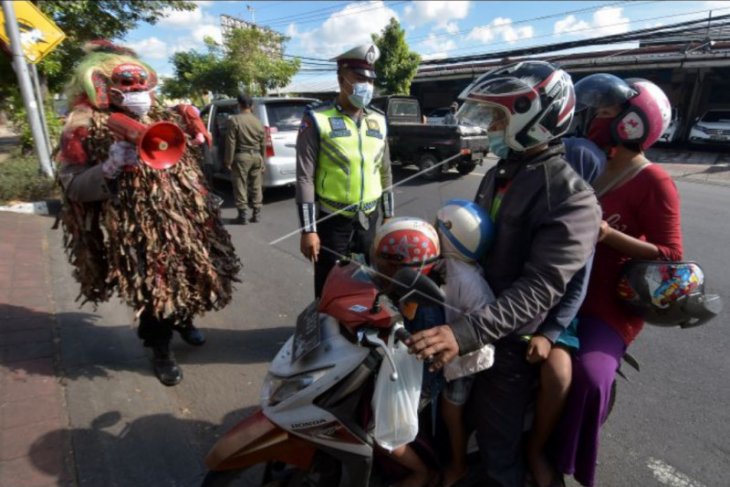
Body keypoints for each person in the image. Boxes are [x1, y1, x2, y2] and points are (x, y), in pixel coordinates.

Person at [405, 60, 602, 486]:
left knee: (498, 445)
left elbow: (541, 287)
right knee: (441, 411)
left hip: (508, 341)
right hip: (469, 315)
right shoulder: (501, 173)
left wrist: (464, 334)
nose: (491, 126)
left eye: (498, 117)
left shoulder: (572, 197)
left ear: (534, 117)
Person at [56, 41, 241, 386]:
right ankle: (160, 348)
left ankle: (184, 320)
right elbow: (72, 185)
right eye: (128, 86)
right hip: (136, 229)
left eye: (143, 86)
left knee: (190, 274)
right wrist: (108, 168)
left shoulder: (158, 115)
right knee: (155, 287)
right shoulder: (82, 125)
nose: (138, 93)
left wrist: (192, 122)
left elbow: (183, 146)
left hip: (186, 221)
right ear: (101, 86)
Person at [552, 74, 682, 487]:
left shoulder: (654, 181)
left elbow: (671, 254)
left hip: (607, 302)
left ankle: (563, 461)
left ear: (633, 124)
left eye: (607, 111)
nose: (597, 117)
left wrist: (608, 235)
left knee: (590, 378)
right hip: (561, 282)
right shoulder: (588, 160)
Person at [524, 136, 606, 487]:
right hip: (511, 303)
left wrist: (549, 332)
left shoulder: (583, 219)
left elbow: (577, 288)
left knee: (558, 375)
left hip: (554, 316)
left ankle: (536, 448)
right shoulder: (527, 198)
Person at [296, 43, 395, 298]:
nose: (367, 86)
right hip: (332, 221)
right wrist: (308, 229)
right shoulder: (317, 118)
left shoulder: (378, 119)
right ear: (341, 79)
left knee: (370, 284)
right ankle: (323, 332)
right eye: (359, 78)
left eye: (370, 79)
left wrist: (389, 216)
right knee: (329, 286)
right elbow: (304, 176)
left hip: (369, 220)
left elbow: (385, 170)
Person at [225, 93, 266, 225]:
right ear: (251, 106)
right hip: (256, 156)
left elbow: (230, 142)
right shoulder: (258, 122)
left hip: (241, 156)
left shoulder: (234, 120)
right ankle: (257, 214)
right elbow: (263, 143)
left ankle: (242, 216)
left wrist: (228, 160)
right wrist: (263, 160)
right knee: (256, 185)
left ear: (239, 105)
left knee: (240, 185)